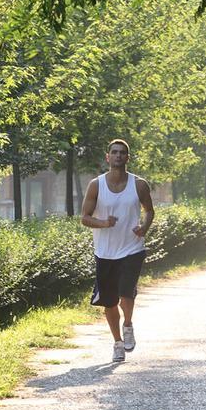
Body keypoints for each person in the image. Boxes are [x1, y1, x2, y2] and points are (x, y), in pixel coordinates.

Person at [80, 139, 155, 362]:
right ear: (108, 157)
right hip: (105, 252)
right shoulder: (96, 185)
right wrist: (104, 224)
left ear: (127, 158)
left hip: (132, 248)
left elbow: (150, 211)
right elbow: (84, 218)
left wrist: (144, 227)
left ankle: (128, 324)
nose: (118, 156)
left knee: (126, 292)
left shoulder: (139, 184)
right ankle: (117, 343)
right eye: (114, 152)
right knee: (110, 302)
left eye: (122, 153)